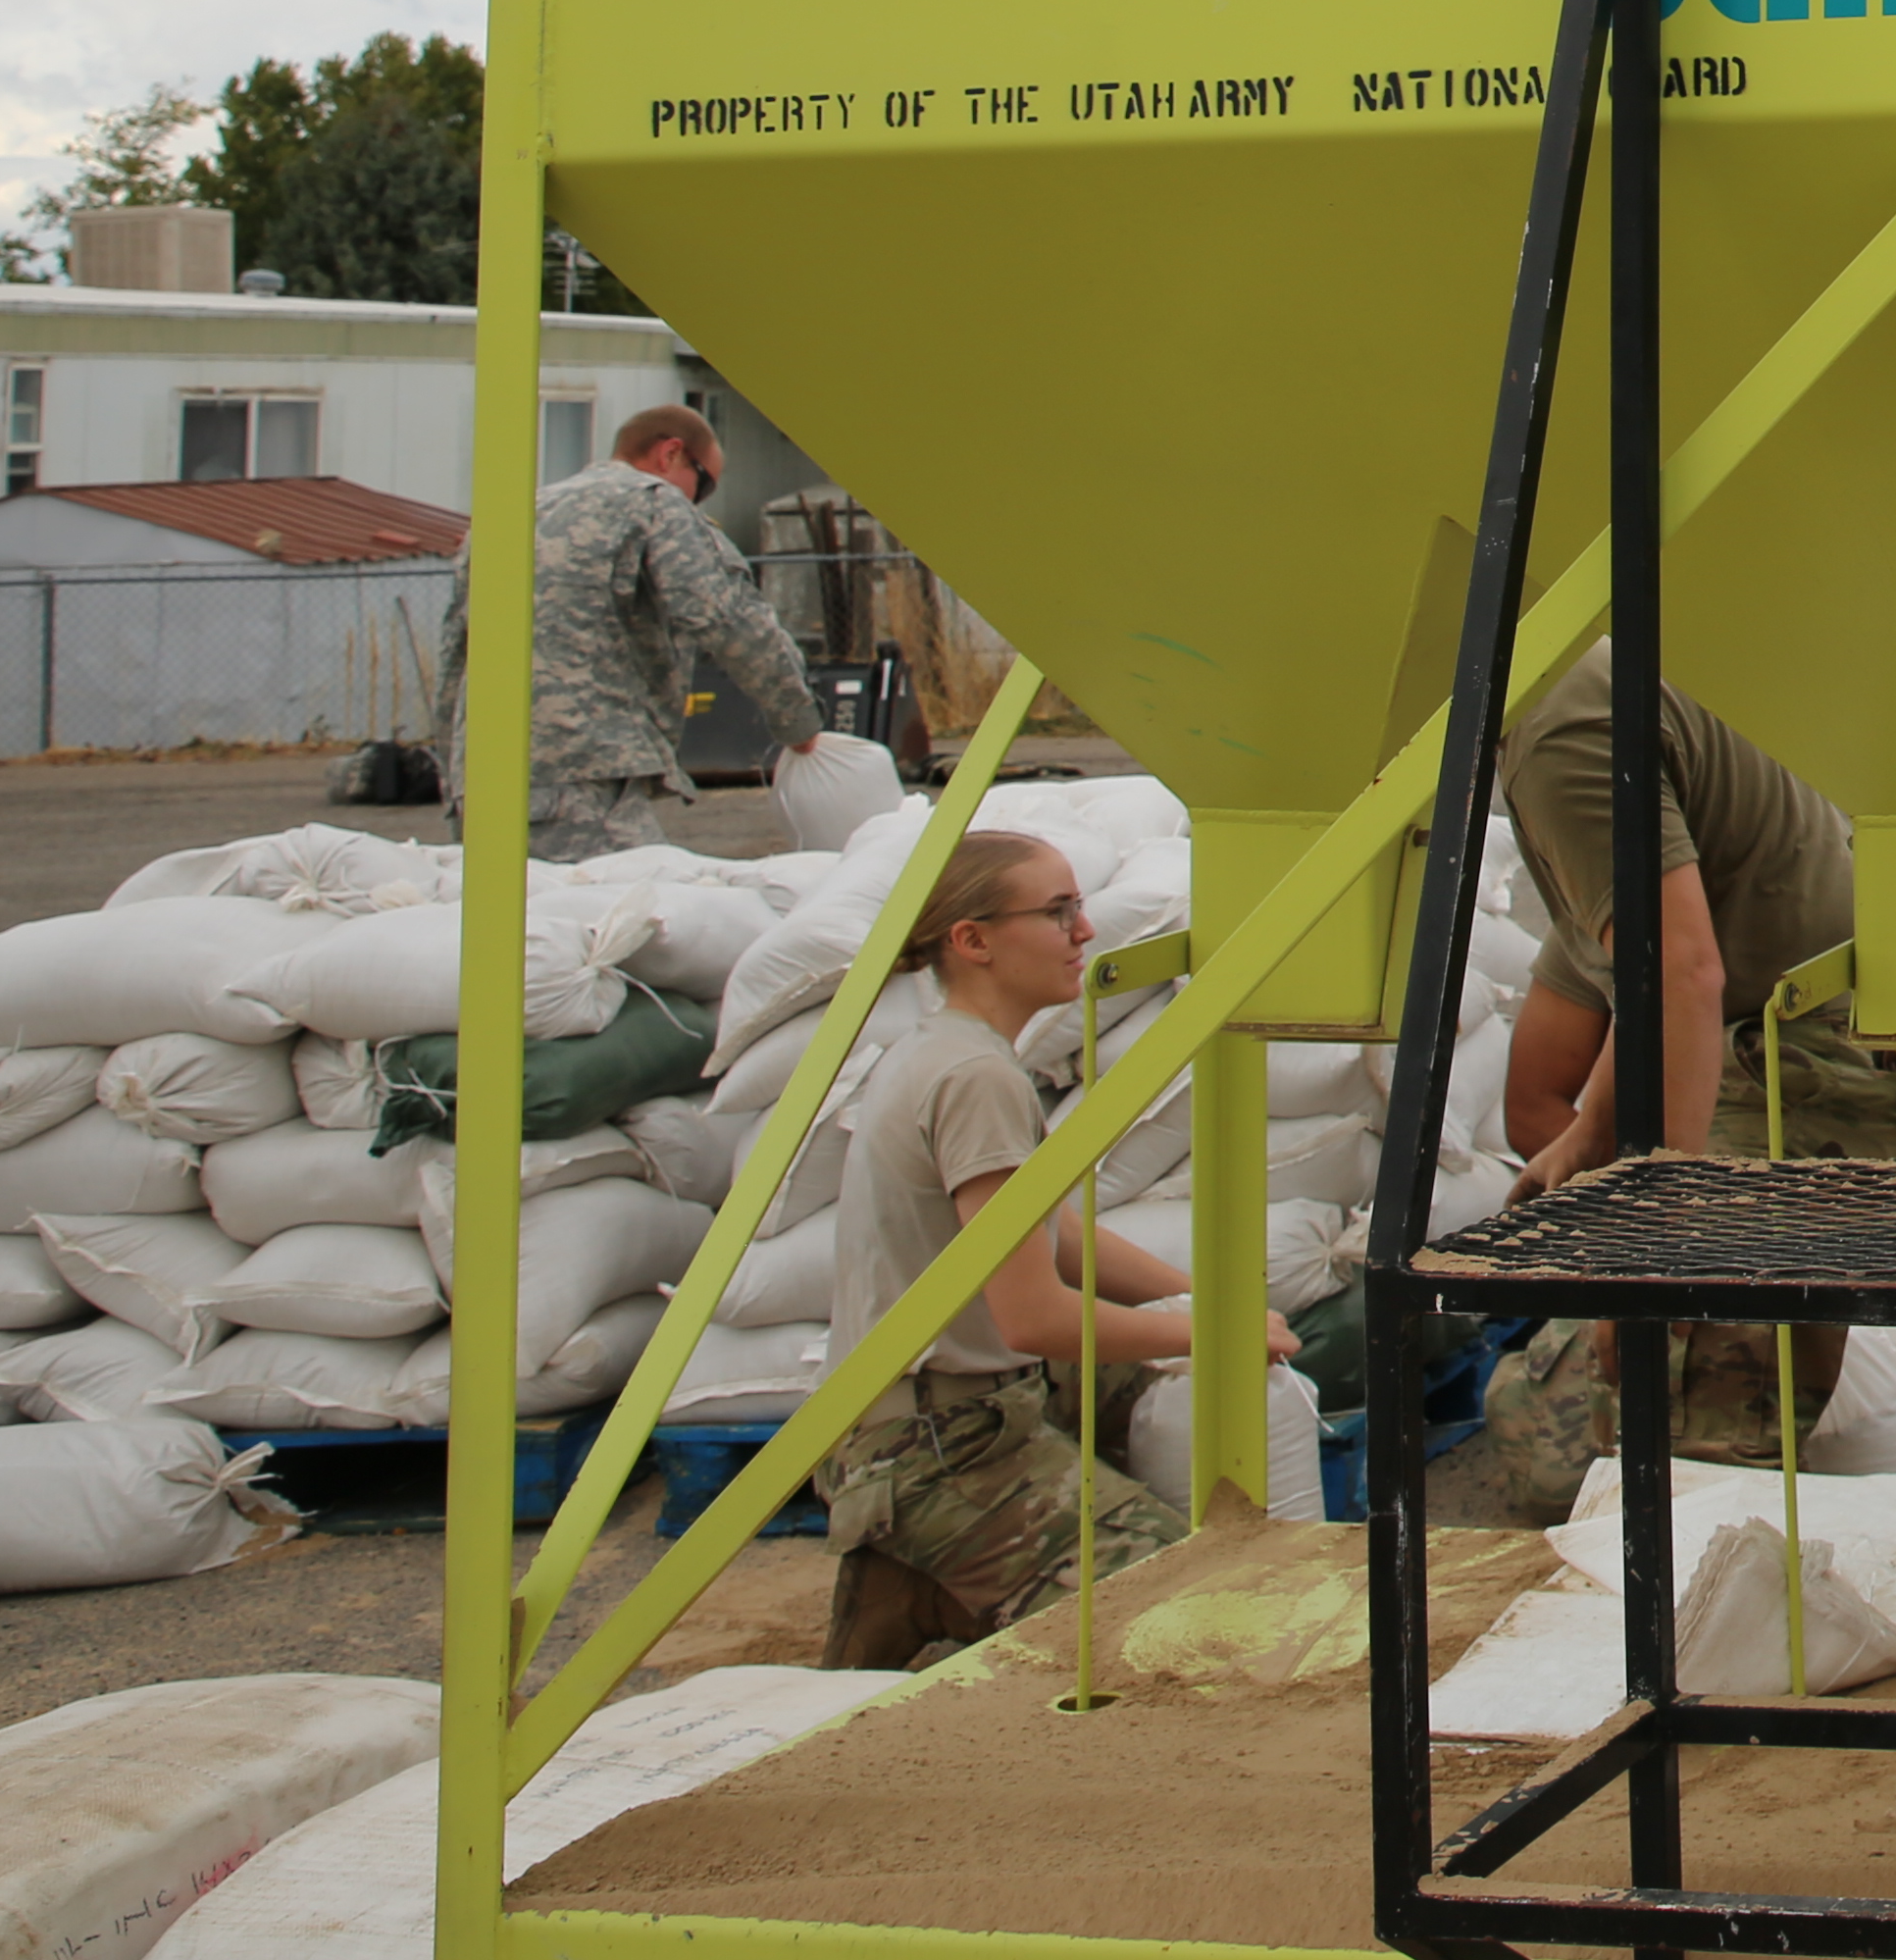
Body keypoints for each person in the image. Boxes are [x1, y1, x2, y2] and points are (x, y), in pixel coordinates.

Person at [1449, 652, 1896, 1499]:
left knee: (1666, 1430)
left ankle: (1734, 1625)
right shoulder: (1614, 681)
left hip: (1788, 1065)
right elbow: (1657, 980)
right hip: (1825, 1055)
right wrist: (1596, 1131)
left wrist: (1657, 1247)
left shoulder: (1558, 726)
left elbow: (1678, 977)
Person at [820, 830, 1291, 1663]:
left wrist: (1202, 1298)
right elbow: (1031, 1318)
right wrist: (1215, 1333)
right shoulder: (976, 1079)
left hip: (924, 1422)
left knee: (1149, 1387)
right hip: (939, 1446)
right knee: (1175, 1609)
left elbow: (1052, 1233)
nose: (1084, 933)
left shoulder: (944, 1051)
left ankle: (925, 1584)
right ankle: (947, 1568)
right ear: (973, 941)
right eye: (1058, 912)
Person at [433, 401, 818, 859]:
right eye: (704, 483)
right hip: (578, 772)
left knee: (532, 926)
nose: (698, 500)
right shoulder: (653, 503)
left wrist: (454, 769)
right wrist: (797, 719)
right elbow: (724, 615)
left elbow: (455, 653)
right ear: (670, 455)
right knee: (640, 911)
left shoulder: (509, 514)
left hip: (480, 785)